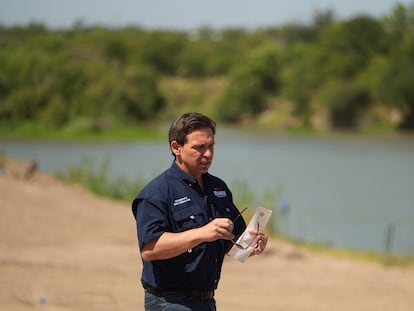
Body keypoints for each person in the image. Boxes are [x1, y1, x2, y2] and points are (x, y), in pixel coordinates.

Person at [132, 112, 268, 310]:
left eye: (211, 146)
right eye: (199, 148)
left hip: (207, 301)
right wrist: (201, 233)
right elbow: (150, 249)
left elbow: (233, 244)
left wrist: (252, 244)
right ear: (176, 148)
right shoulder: (157, 192)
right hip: (169, 302)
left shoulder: (218, 188)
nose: (208, 154)